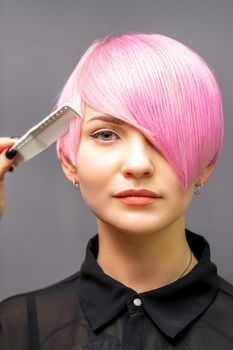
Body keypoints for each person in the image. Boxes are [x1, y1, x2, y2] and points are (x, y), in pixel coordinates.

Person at [0, 32, 232, 349]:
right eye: (107, 135)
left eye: (165, 137)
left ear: (206, 165)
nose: (137, 165)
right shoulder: (15, 328)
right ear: (69, 161)